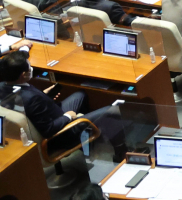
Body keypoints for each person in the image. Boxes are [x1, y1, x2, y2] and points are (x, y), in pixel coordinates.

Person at [0, 52, 128, 158]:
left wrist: (44, 96)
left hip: (50, 115)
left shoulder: (4, 86)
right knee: (111, 111)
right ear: (23, 75)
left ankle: (87, 142)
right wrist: (67, 117)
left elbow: (25, 105)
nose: (31, 67)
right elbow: (48, 130)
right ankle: (121, 153)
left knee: (80, 95)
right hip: (59, 135)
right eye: (29, 66)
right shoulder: (32, 99)